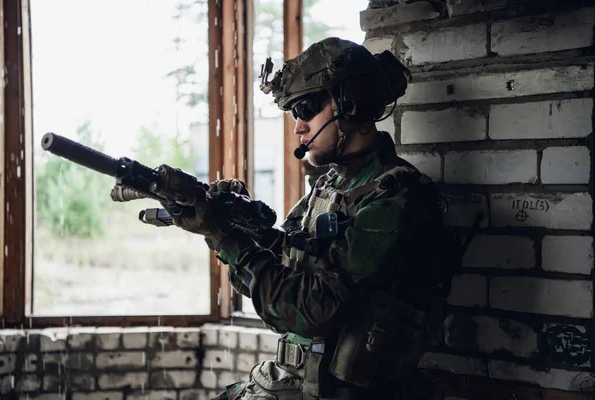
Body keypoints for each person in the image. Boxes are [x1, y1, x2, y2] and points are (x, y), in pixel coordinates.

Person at [164, 37, 453, 400]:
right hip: (292, 382)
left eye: (305, 109)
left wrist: (226, 237)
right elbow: (280, 271)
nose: (298, 126)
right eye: (293, 114)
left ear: (349, 103)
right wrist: (232, 223)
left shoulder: (396, 196)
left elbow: (309, 310)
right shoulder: (328, 187)